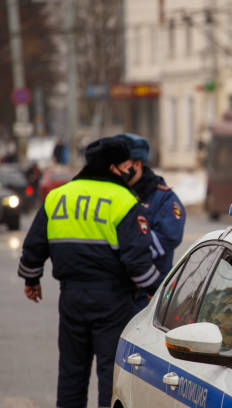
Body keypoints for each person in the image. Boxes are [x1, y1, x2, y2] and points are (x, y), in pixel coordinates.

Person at [17, 137, 162, 408]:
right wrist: (157, 291)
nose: (131, 172)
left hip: (70, 298)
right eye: (128, 166)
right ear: (114, 167)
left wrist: (31, 278)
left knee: (71, 371)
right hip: (113, 300)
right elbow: (137, 261)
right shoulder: (123, 201)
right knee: (110, 371)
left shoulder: (59, 196)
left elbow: (34, 244)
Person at [112, 133, 186, 310]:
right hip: (115, 296)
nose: (115, 170)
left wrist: (124, 251)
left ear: (137, 164)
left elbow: (169, 237)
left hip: (149, 297)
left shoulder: (164, 198)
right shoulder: (111, 194)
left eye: (121, 164)